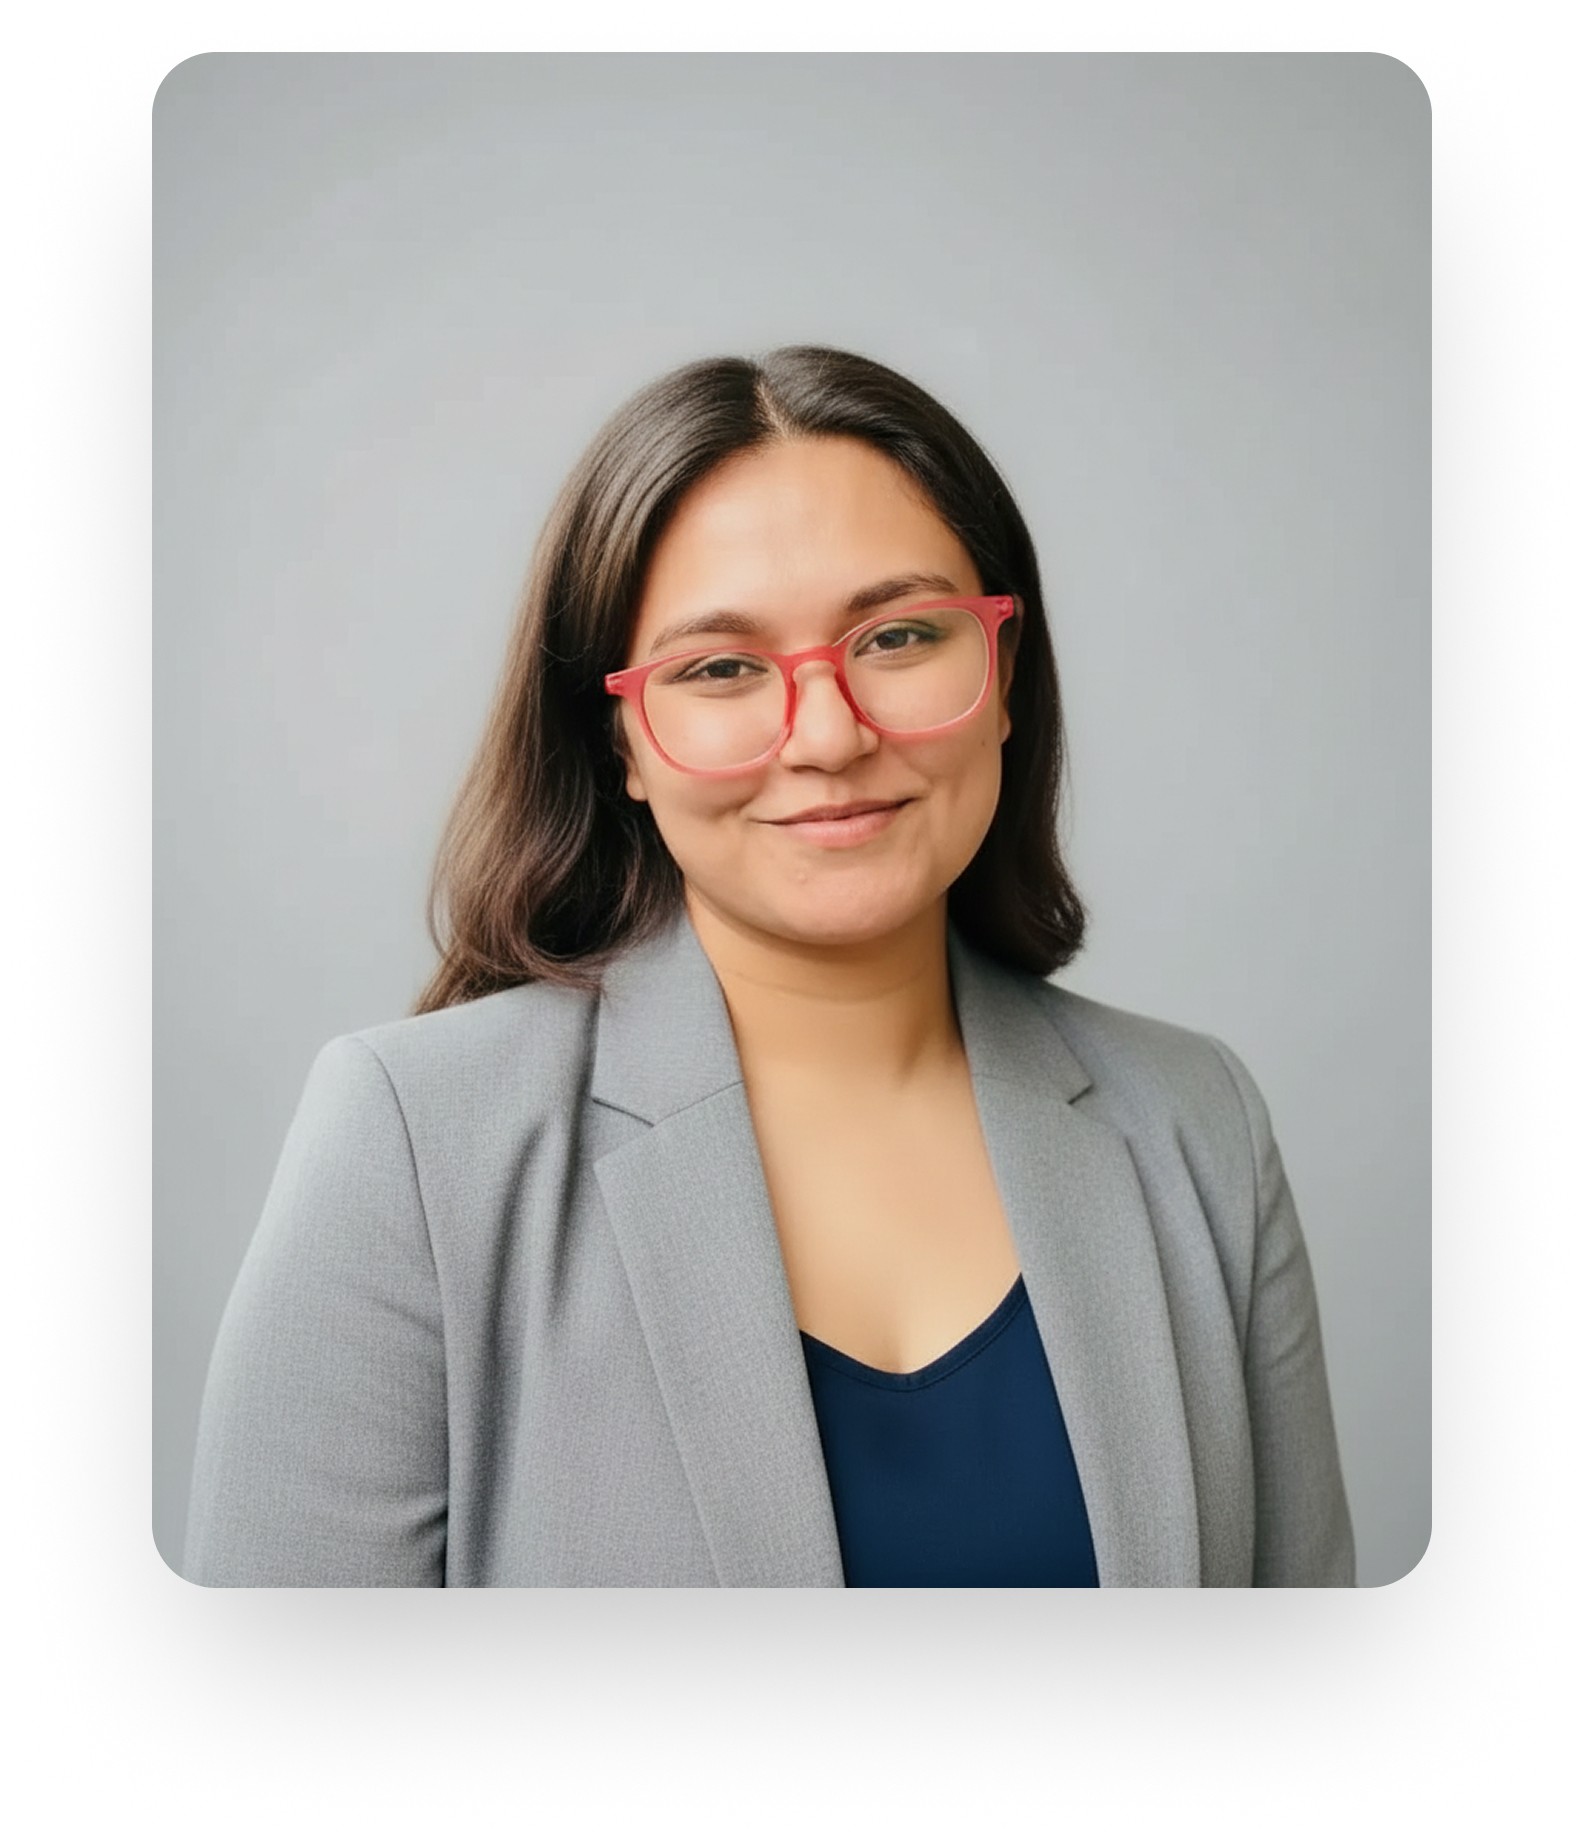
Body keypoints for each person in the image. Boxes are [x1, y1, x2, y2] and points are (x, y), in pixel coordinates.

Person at [183, 346, 1355, 1588]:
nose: (832, 734)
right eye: (722, 669)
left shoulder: (1194, 1124)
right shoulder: (414, 1143)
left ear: (1004, 673)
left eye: (901, 635)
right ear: (622, 739)